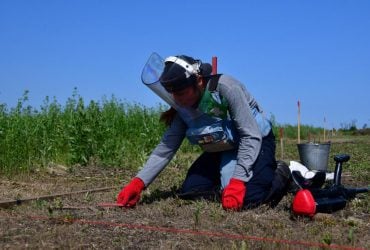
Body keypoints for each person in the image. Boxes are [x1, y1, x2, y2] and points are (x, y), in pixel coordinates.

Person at [117, 53, 291, 210]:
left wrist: (238, 181)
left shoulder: (226, 88)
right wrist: (139, 182)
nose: (178, 99)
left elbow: (250, 136)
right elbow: (166, 148)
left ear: (199, 81)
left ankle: (283, 172)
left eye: (182, 93)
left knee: (250, 198)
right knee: (190, 190)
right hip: (223, 147)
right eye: (173, 94)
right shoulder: (183, 108)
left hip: (256, 142)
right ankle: (228, 187)